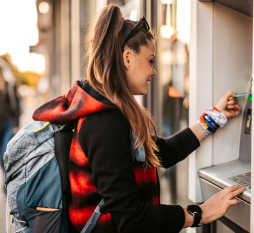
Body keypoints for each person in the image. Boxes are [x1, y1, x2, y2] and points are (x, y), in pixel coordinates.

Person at [32, 4, 243, 233]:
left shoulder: (110, 112)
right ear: (127, 58)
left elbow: (162, 152)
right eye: (151, 60)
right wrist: (199, 213)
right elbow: (130, 218)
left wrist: (214, 117)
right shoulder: (103, 123)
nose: (154, 71)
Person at [0, 62, 20, 176]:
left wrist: (16, 125)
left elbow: (16, 107)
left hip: (9, 124)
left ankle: (8, 181)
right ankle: (6, 180)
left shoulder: (9, 87)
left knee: (5, 153)